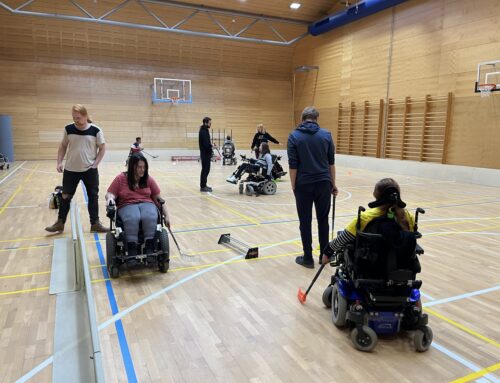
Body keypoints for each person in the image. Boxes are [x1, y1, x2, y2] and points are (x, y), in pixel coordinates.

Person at [321, 178, 415, 265]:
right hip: (401, 265)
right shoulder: (408, 217)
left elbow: (342, 239)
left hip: (371, 267)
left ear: (376, 194)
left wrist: (327, 252)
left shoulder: (365, 217)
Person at [288, 106, 338, 269]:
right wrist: (333, 184)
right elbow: (331, 162)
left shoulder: (294, 136)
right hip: (324, 183)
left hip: (303, 184)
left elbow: (293, 165)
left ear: (303, 118)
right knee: (323, 220)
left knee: (305, 221)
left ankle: (307, 258)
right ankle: (324, 256)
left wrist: (293, 185)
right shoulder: (326, 135)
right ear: (316, 118)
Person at [45, 104, 108, 233]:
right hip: (70, 170)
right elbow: (62, 146)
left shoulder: (96, 130)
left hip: (89, 171)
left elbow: (102, 149)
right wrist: (59, 162)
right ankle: (60, 223)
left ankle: (95, 223)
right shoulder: (68, 129)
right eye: (74, 118)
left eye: (78, 118)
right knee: (65, 197)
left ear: (85, 116)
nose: (76, 120)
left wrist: (95, 164)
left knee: (93, 197)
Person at [106, 153, 171, 256]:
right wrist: (110, 199)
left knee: (150, 215)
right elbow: (110, 193)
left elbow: (158, 198)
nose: (142, 170)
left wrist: (166, 215)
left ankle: (150, 247)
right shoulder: (121, 178)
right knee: (133, 216)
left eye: (144, 167)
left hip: (147, 203)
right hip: (127, 204)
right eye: (139, 167)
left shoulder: (148, 179)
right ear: (132, 167)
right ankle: (132, 248)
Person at [199, 116, 214, 192]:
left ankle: (204, 185)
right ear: (205, 123)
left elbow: (207, 142)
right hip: (205, 154)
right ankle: (203, 186)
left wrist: (210, 145)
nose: (210, 124)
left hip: (206, 153)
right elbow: (205, 144)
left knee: (206, 170)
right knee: (205, 170)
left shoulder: (205, 130)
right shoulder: (203, 131)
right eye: (209, 123)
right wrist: (212, 146)